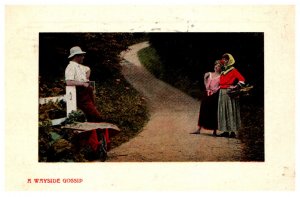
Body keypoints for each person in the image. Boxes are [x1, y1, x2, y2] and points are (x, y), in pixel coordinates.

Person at [65, 46, 102, 122]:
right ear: (76, 56)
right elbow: (68, 82)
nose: (83, 57)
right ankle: (99, 132)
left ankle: (94, 132)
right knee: (95, 115)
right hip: (80, 93)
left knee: (92, 114)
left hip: (87, 92)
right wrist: (83, 83)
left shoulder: (80, 67)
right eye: (81, 55)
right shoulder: (71, 67)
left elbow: (88, 69)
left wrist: (87, 79)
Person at [217, 53, 245, 138]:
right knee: (223, 110)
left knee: (230, 111)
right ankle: (225, 131)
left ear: (229, 61)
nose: (224, 61)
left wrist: (236, 86)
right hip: (222, 91)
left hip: (229, 92)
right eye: (223, 59)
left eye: (226, 59)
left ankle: (232, 131)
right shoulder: (223, 70)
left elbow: (242, 79)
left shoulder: (233, 70)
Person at [191, 60, 222, 136]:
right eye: (216, 65)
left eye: (218, 66)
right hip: (207, 93)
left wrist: (215, 90)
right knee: (203, 109)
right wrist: (205, 79)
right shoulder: (209, 74)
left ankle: (214, 131)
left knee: (214, 111)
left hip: (215, 94)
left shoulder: (221, 76)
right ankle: (199, 129)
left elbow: (221, 86)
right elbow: (206, 84)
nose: (216, 67)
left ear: (221, 68)